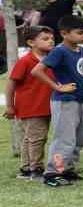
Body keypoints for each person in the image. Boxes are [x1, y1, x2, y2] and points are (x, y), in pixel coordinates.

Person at [32, 15, 83, 187]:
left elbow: (80, 72)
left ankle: (67, 169)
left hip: (81, 99)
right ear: (64, 33)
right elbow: (37, 71)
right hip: (65, 100)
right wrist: (57, 87)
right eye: (80, 33)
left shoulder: (80, 50)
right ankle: (53, 173)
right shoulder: (59, 51)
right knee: (64, 139)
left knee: (78, 139)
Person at [3, 26, 55, 180]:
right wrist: (10, 106)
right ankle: (36, 169)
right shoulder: (25, 61)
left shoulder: (52, 58)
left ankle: (26, 169)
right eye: (45, 39)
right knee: (38, 138)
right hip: (31, 107)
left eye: (52, 38)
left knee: (30, 138)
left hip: (47, 105)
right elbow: (11, 84)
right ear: (31, 42)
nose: (51, 41)